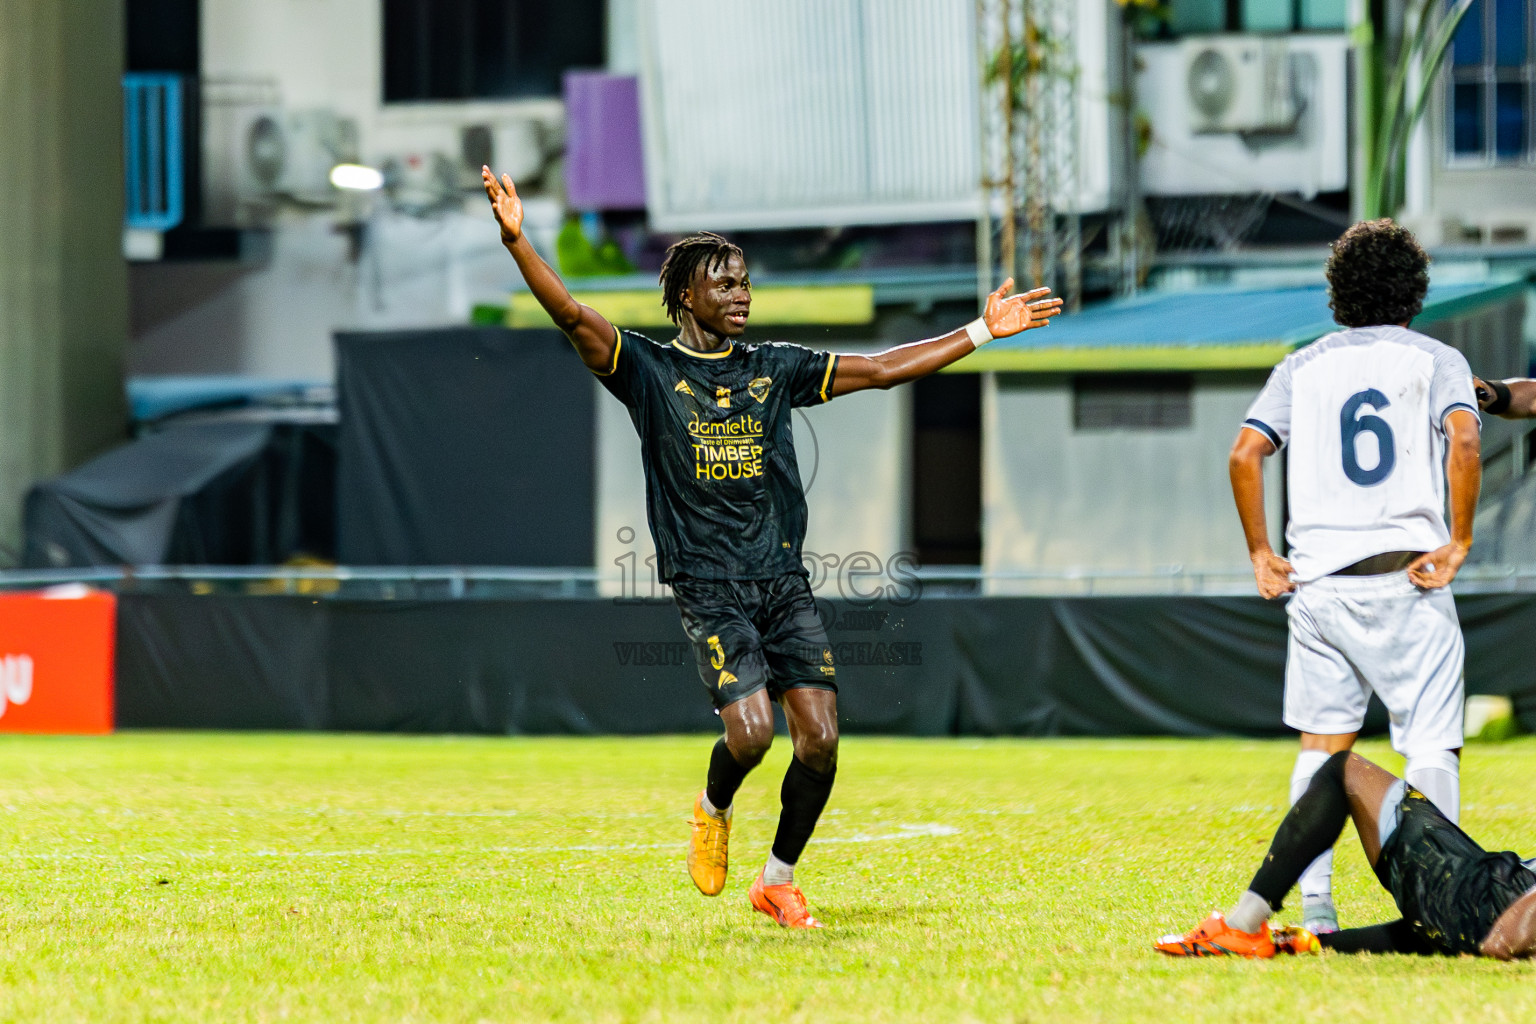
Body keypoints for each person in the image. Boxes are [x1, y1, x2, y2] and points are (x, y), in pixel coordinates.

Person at [481, 167, 1062, 929]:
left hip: (781, 583)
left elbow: (885, 369)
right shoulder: (650, 372)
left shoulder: (774, 369)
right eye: (724, 284)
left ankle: (777, 880)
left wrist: (983, 330)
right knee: (752, 733)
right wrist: (519, 239)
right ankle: (712, 806)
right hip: (709, 586)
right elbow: (569, 313)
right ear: (686, 295)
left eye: (746, 282)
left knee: (819, 740)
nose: (741, 294)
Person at [1228, 219, 1482, 935]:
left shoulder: (1300, 365)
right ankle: (1434, 906)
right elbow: (1464, 438)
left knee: (1321, 747)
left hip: (1321, 587)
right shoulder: (1437, 358)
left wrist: (1259, 553)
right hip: (1409, 579)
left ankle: (1315, 906)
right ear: (1416, 293)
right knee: (1430, 743)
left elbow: (1246, 455)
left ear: (1338, 295)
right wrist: (1459, 541)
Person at [1155, 750, 1536, 960]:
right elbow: (1446, 930)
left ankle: (1242, 925)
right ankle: (1301, 941)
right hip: (1488, 903)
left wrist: (1502, 934)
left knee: (1344, 770)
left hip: (1493, 896)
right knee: (1444, 920)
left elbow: (1477, 923)